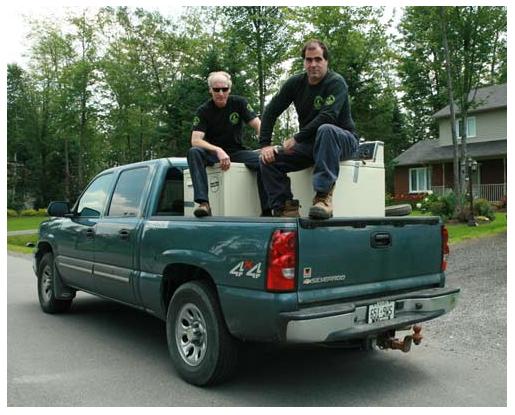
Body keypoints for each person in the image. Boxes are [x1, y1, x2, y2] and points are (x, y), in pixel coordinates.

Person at [259, 39, 359, 219]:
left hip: (343, 141)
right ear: (304, 62)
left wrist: (296, 138)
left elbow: (327, 117)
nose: (313, 64)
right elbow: (270, 111)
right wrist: (265, 144)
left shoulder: (336, 82)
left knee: (326, 129)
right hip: (311, 144)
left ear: (326, 61)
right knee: (268, 159)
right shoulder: (296, 83)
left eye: (318, 59)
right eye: (309, 60)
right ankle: (286, 208)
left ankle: (323, 197)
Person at [187, 71, 270, 217]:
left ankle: (267, 210)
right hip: (212, 154)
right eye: (216, 89)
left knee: (264, 160)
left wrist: (266, 145)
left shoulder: (239, 103)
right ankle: (204, 203)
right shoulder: (204, 111)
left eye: (224, 89)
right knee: (194, 152)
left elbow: (258, 125)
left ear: (229, 89)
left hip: (236, 152)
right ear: (210, 90)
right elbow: (195, 140)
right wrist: (218, 150)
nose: (220, 93)